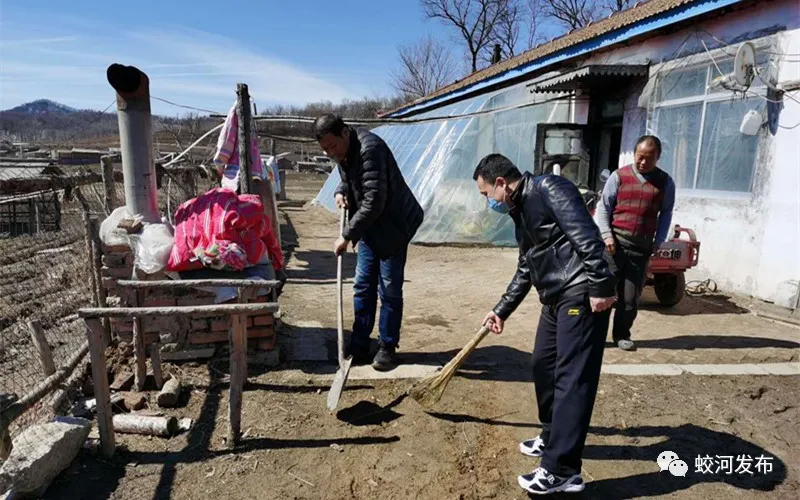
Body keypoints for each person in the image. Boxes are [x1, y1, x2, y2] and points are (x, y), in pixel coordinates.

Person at [474, 153, 616, 495]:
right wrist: (501, 310)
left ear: (501, 183)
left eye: (485, 194)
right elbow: (527, 266)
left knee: (572, 378)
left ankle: (562, 469)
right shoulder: (519, 209)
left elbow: (586, 236)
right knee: (542, 365)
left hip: (581, 292)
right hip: (554, 296)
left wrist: (600, 286)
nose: (487, 202)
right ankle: (553, 436)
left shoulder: (549, 188)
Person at [313, 114, 424, 371]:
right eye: (325, 149)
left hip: (394, 226)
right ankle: (361, 342)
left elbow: (374, 199)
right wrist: (341, 191)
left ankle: (387, 346)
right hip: (369, 226)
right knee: (363, 285)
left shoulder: (370, 149)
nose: (331, 153)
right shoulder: (344, 151)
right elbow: (350, 177)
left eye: (332, 146)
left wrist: (347, 234)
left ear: (345, 133)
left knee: (389, 289)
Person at [593, 135, 675, 351]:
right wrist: (607, 236)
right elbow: (603, 208)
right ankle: (595, 335)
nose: (643, 162)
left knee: (630, 299)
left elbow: (665, 214)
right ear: (634, 154)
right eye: (639, 157)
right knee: (604, 294)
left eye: (649, 158)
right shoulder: (618, 176)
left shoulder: (665, 182)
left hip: (641, 249)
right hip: (614, 245)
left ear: (658, 157)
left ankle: (622, 334)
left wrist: (659, 241)